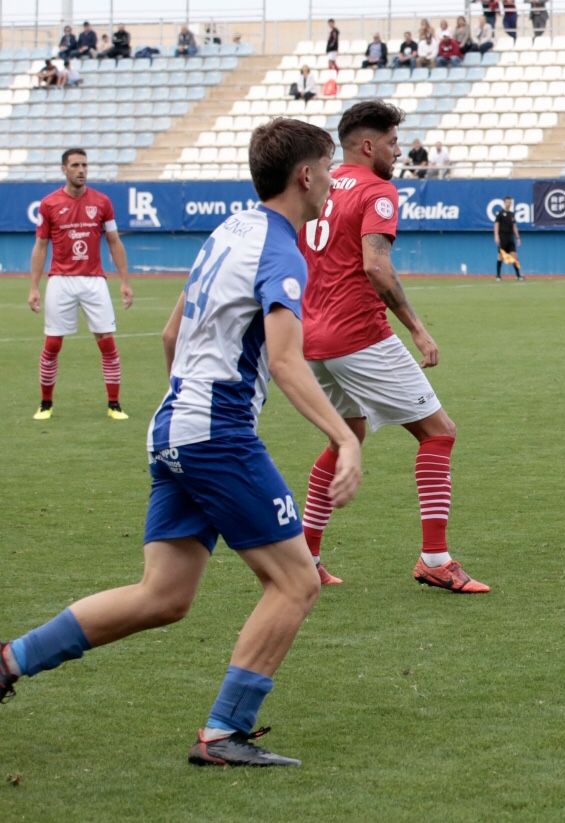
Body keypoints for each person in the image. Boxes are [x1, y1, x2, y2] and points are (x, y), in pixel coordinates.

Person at [0, 118, 363, 768]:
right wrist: (344, 436)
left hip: (173, 425)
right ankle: (224, 732)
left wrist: (191, 415)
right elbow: (284, 361)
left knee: (163, 594)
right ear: (304, 176)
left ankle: (9, 659)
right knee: (297, 581)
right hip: (214, 433)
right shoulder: (279, 249)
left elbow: (172, 336)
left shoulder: (228, 231)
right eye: (329, 168)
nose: (333, 182)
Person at [298, 100, 489, 593]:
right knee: (439, 432)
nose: (398, 152)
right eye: (392, 142)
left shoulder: (320, 186)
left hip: (312, 337)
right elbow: (376, 266)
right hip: (358, 334)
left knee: (349, 435)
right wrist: (416, 327)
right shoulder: (377, 190)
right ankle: (435, 559)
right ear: (368, 145)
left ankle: (306, 556)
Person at [28, 149, 133, 420]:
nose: (81, 170)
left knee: (107, 342)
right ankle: (45, 404)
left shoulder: (102, 202)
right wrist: (34, 287)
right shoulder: (49, 204)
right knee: (52, 344)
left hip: (94, 280)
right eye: (75, 165)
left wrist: (124, 281)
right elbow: (40, 246)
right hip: (60, 281)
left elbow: (113, 241)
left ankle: (114, 405)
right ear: (64, 169)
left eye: (84, 164)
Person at [493, 196, 523, 281]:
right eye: (507, 202)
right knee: (500, 257)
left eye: (510, 202)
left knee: (515, 257)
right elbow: (496, 225)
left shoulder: (512, 214)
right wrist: (496, 236)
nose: (508, 204)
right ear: (504, 202)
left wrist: (518, 238)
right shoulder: (500, 213)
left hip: (510, 238)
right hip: (502, 237)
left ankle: (518, 275)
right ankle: (498, 276)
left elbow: (514, 227)